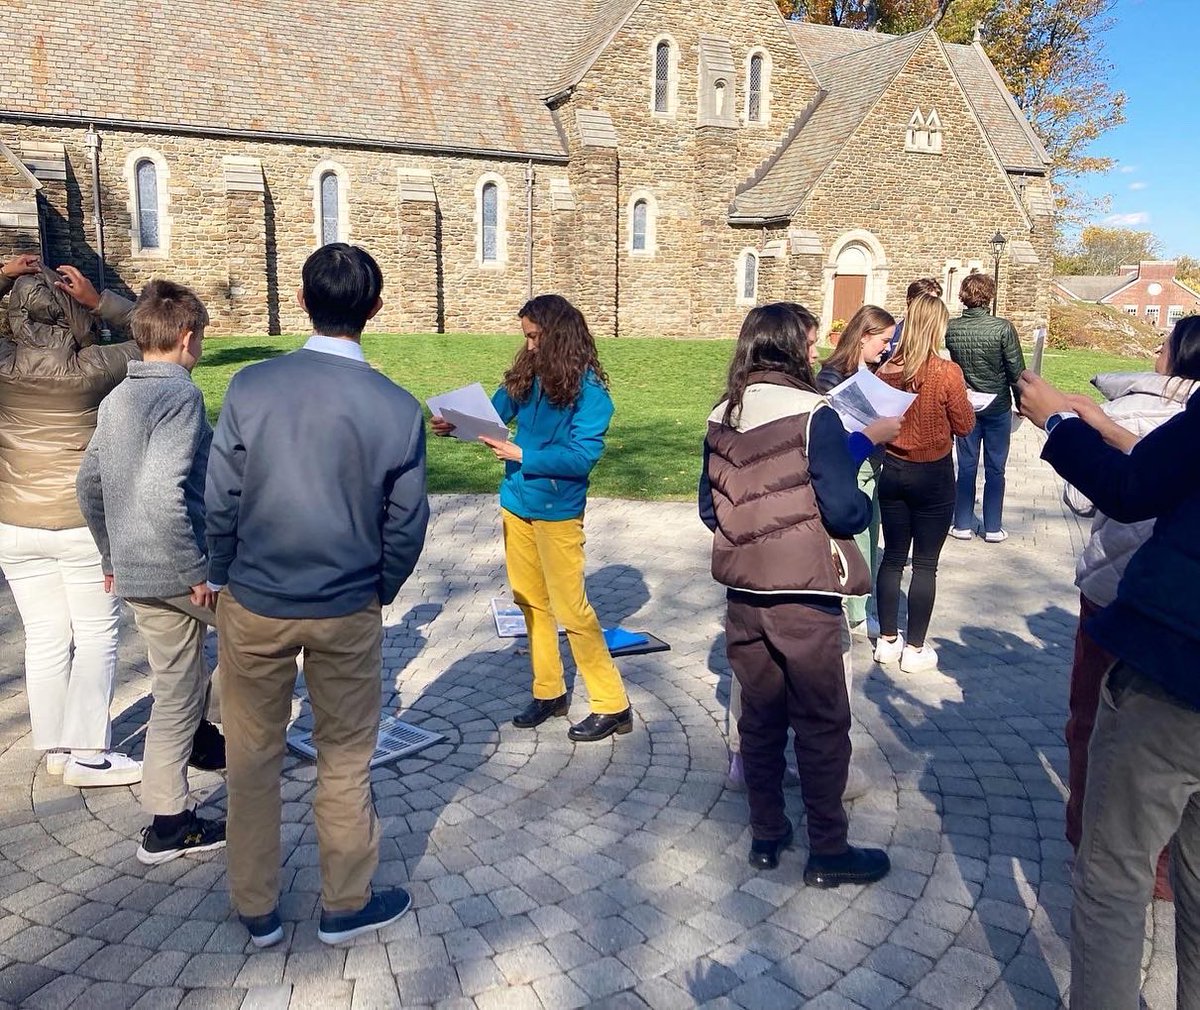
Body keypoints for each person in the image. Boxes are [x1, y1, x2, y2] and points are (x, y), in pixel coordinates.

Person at [207, 243, 429, 948]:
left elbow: (222, 497)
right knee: (344, 757)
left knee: (252, 756)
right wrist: (379, 587)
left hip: (259, 600)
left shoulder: (251, 386)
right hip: (344, 606)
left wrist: (220, 571)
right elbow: (407, 521)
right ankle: (344, 901)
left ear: (302, 302)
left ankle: (256, 905)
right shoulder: (396, 407)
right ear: (376, 309)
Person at [1018, 366, 1200, 1010]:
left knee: (1113, 876)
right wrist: (1102, 426)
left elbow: (1133, 489)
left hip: (1175, 669)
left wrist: (1058, 422)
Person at [699, 301, 890, 886]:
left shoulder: (720, 413)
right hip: (805, 591)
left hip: (742, 588)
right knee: (821, 719)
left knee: (758, 717)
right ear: (789, 347)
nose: (816, 351)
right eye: (810, 342)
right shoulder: (817, 414)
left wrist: (755, 533)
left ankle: (766, 833)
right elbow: (842, 506)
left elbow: (710, 510)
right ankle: (829, 849)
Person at [433, 294, 632, 742]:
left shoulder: (593, 395)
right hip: (516, 504)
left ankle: (612, 703)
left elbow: (582, 457)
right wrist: (454, 425)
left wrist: (526, 453)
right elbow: (493, 417)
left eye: (534, 337)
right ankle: (549, 691)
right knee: (530, 601)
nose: (527, 347)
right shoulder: (526, 377)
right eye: (525, 337)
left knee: (571, 608)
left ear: (558, 336)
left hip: (558, 512)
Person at [77, 279, 227, 865]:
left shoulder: (115, 399)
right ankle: (217, 734)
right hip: (183, 569)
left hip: (136, 574)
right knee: (264, 639)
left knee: (174, 687)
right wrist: (195, 569)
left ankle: (169, 819)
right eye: (203, 336)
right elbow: (167, 492)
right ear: (188, 338)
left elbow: (88, 485)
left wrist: (111, 557)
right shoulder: (181, 397)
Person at [1060, 320, 1200, 899]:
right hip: (1154, 603)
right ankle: (1165, 869)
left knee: (1092, 719)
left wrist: (1067, 427)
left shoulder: (1148, 413)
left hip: (1134, 598)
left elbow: (1093, 492)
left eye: (1164, 343)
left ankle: (1088, 837)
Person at [0, 255, 142, 786]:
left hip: (14, 523)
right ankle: (85, 756)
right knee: (96, 635)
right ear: (72, 314)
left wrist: (4, 273)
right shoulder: (96, 367)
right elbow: (168, 335)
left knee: (44, 636)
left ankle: (58, 748)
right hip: (81, 524)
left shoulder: (4, 363)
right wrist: (99, 300)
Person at [873, 294, 975, 673]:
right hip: (932, 472)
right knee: (926, 564)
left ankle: (887, 640)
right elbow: (965, 425)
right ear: (938, 327)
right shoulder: (946, 372)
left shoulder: (886, 370)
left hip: (894, 469)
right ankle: (914, 648)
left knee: (894, 556)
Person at [816, 304, 897, 639]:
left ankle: (860, 605)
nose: (888, 347)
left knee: (871, 535)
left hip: (871, 464)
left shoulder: (870, 371)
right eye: (884, 340)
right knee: (856, 538)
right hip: (849, 464)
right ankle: (856, 611)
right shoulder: (833, 374)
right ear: (863, 337)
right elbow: (824, 423)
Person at [944, 272, 1025, 543]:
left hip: (966, 402)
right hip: (998, 404)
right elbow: (1015, 370)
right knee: (996, 468)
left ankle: (963, 523)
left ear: (963, 296)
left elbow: (956, 365)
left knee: (966, 466)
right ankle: (992, 526)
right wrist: (1020, 401)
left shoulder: (952, 328)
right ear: (989, 296)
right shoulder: (1002, 328)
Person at [883, 278, 943, 362]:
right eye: (928, 302)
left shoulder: (933, 333)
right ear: (911, 300)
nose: (933, 308)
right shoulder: (893, 333)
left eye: (935, 303)